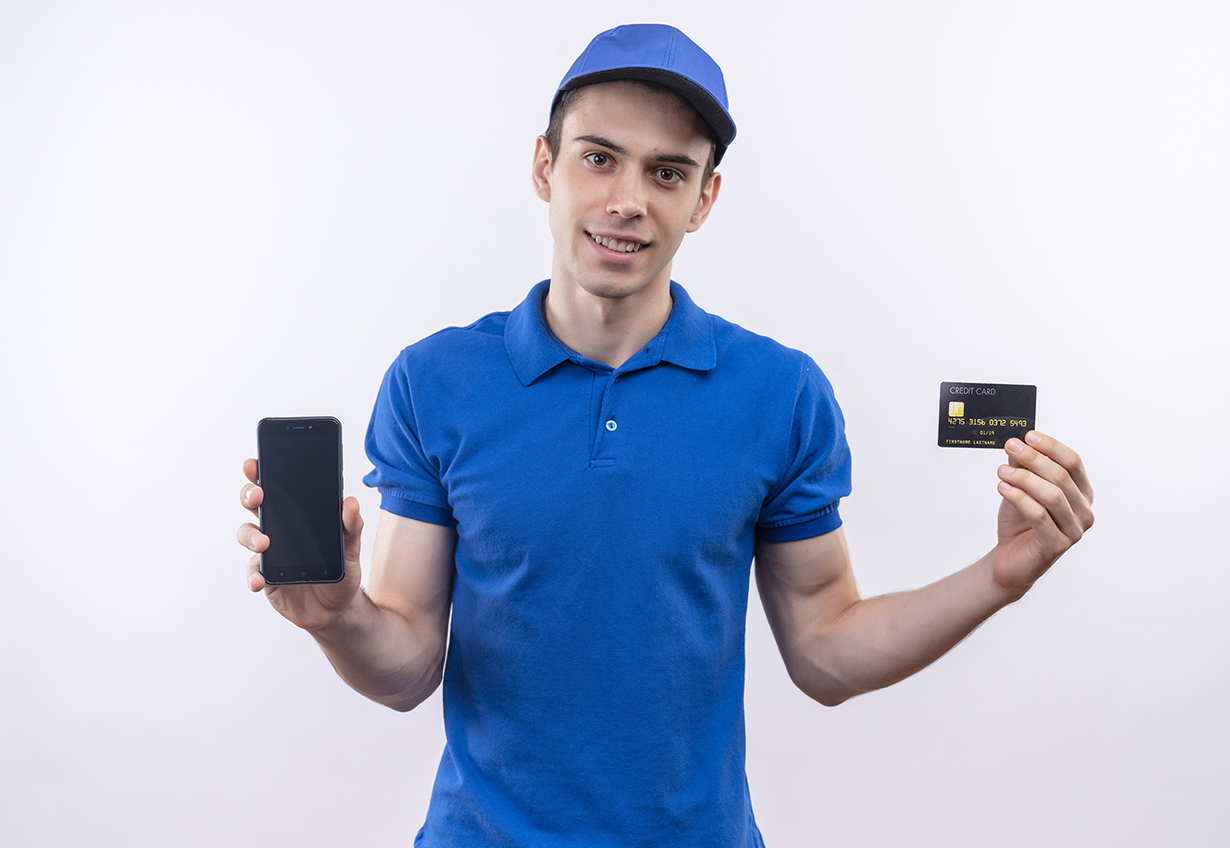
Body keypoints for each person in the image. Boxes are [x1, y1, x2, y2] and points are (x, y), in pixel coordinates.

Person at [236, 24, 1094, 847]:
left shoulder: (780, 394)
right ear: (545, 166)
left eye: (668, 173)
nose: (628, 202)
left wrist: (1001, 576)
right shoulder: (435, 383)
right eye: (599, 158)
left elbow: (826, 649)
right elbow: (407, 666)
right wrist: (338, 616)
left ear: (704, 198)